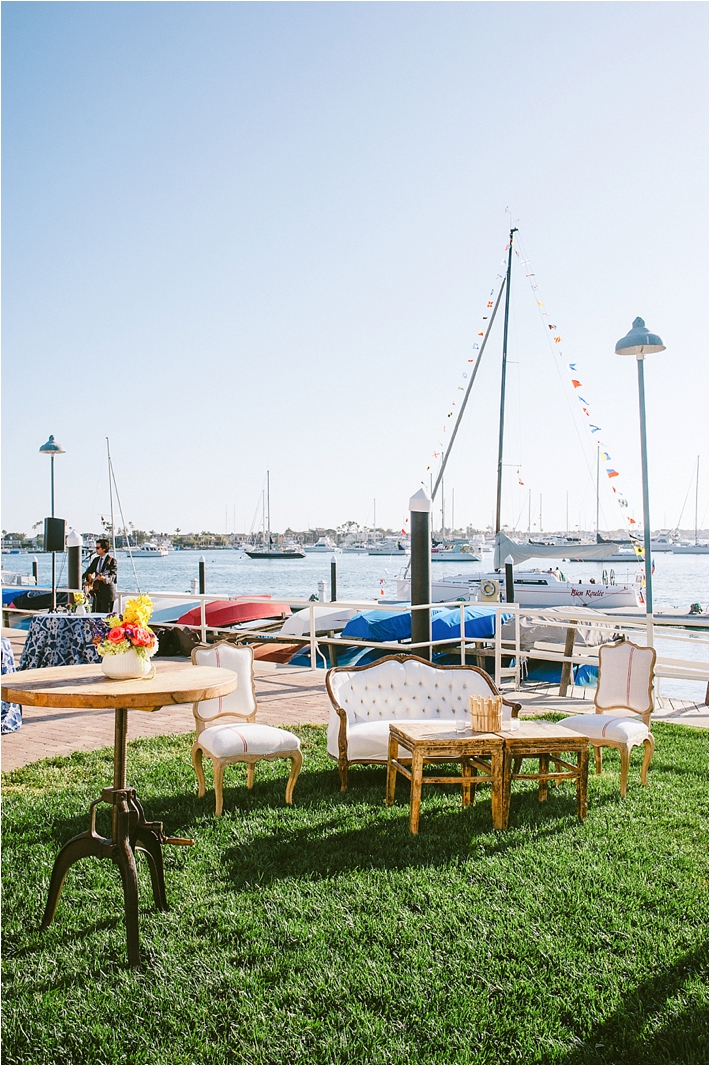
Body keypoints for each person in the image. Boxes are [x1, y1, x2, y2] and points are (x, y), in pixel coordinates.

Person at [83, 538, 117, 613]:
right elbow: (88, 571)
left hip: (107, 594)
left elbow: (112, 576)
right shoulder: (96, 560)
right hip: (96, 594)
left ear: (104, 549)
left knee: (105, 619)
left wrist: (104, 579)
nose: (96, 549)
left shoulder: (111, 561)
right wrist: (86, 581)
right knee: (95, 617)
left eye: (98, 548)